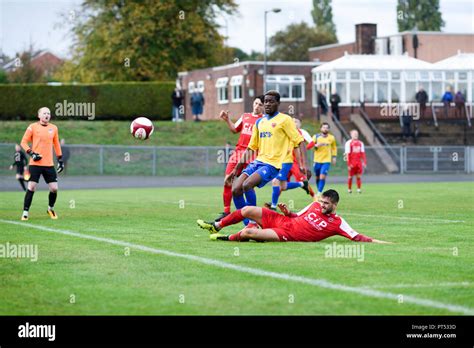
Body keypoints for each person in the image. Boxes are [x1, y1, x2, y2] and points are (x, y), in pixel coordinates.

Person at [226, 90, 308, 226]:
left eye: (271, 101)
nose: (267, 104)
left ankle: (253, 222)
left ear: (278, 103)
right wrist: (236, 169)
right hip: (258, 161)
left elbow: (299, 141)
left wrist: (303, 165)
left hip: (273, 164)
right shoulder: (259, 122)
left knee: (247, 185)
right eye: (266, 102)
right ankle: (248, 225)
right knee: (236, 189)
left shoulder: (285, 119)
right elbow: (251, 147)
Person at [197, 189, 390, 243]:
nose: (321, 205)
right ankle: (217, 225)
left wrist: (381, 242)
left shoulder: (338, 223)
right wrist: (287, 212)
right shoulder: (314, 204)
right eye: (321, 201)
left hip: (286, 234)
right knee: (247, 210)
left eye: (326, 204)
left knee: (249, 235)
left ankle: (227, 238)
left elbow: (357, 237)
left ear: (335, 205)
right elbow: (298, 214)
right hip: (284, 220)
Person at [214, 96, 264, 221]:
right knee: (227, 180)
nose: (257, 106)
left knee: (247, 185)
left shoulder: (264, 120)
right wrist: (227, 120)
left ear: (263, 107)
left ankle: (252, 215)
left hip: (252, 155)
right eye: (256, 103)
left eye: (260, 104)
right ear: (253, 103)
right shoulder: (245, 116)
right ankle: (226, 212)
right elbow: (234, 129)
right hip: (237, 153)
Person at [20, 107, 64, 221]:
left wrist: (60, 159)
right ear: (39, 115)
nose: (47, 115)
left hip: (49, 164)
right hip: (35, 163)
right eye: (44, 113)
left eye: (48, 113)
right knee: (32, 186)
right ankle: (25, 212)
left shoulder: (54, 128)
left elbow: (57, 144)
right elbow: (23, 142)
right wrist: (32, 153)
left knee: (54, 188)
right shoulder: (32, 127)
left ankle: (50, 209)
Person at [266, 118, 314, 210]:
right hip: (284, 161)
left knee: (301, 179)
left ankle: (314, 197)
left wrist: (302, 150)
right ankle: (274, 203)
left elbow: (311, 143)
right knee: (282, 185)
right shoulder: (286, 132)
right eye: (292, 121)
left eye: (296, 121)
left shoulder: (301, 132)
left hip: (294, 161)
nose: (294, 123)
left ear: (300, 124)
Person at [306, 122, 337, 198]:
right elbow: (310, 146)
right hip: (317, 160)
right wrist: (316, 145)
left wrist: (334, 157)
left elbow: (334, 147)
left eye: (327, 127)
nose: (325, 129)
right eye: (324, 127)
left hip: (326, 160)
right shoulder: (316, 137)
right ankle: (319, 189)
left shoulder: (331, 138)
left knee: (322, 177)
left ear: (329, 129)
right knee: (317, 177)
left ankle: (319, 193)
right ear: (321, 128)